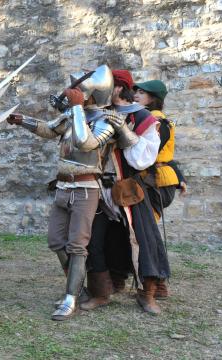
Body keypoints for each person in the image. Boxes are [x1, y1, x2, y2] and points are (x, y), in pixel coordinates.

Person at [7, 65, 117, 321]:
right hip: (63, 186)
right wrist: (23, 120)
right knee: (57, 242)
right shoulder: (71, 115)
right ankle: (77, 288)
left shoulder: (107, 120)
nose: (73, 94)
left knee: (77, 246)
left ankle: (71, 299)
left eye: (80, 92)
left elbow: (86, 143)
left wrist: (77, 108)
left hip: (86, 188)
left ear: (94, 94)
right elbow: (49, 129)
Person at [81, 70, 169, 315]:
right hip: (98, 189)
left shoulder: (144, 118)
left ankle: (148, 294)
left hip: (129, 189)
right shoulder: (95, 113)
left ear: (118, 88)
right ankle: (100, 292)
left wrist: (122, 129)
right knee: (94, 240)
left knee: (143, 240)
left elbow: (142, 159)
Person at [133, 79, 186, 300]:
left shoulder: (156, 121)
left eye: (141, 92)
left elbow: (152, 155)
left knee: (148, 233)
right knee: (143, 231)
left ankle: (159, 284)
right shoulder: (149, 118)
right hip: (152, 180)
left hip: (157, 183)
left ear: (153, 98)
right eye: (136, 90)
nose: (136, 94)